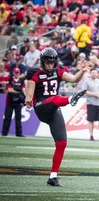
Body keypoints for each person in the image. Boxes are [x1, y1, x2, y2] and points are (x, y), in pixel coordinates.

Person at [25, 48, 91, 186]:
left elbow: (73, 79)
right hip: (42, 107)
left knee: (62, 143)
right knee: (56, 98)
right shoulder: (34, 73)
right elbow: (29, 92)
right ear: (42, 62)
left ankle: (53, 177)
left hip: (54, 108)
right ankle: (71, 99)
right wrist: (28, 99)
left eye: (51, 63)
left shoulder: (58, 70)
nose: (49, 65)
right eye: (47, 63)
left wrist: (82, 71)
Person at [82, 68, 99, 142]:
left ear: (97, 74)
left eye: (95, 73)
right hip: (91, 103)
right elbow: (84, 91)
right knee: (91, 120)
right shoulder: (87, 81)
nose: (94, 74)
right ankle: (91, 135)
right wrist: (94, 94)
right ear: (90, 73)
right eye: (92, 72)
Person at [2, 68, 25, 137]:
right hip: (10, 102)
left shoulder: (21, 80)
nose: (16, 74)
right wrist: (18, 90)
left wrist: (15, 89)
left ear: (19, 73)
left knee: (18, 118)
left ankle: (19, 133)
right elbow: (9, 90)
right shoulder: (10, 80)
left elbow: (24, 89)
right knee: (7, 117)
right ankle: (4, 132)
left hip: (18, 102)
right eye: (15, 72)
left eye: (17, 73)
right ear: (13, 73)